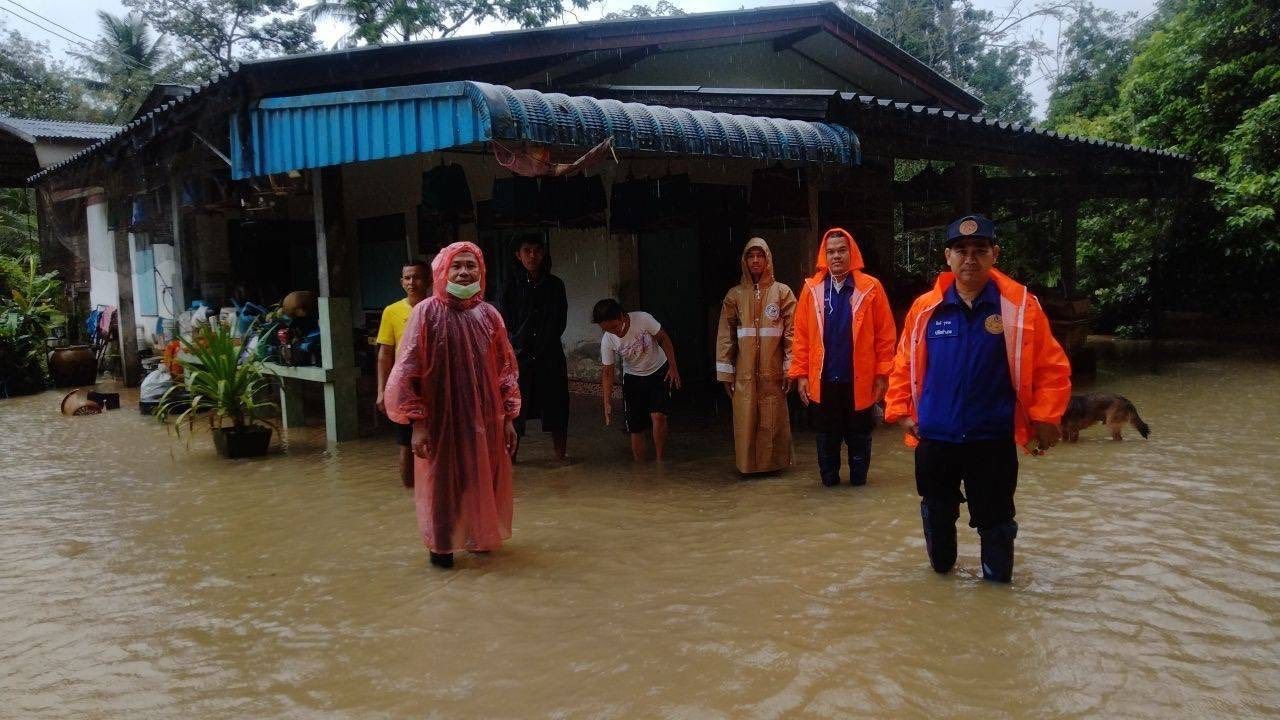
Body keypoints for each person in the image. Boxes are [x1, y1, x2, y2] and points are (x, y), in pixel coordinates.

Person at [884, 214, 1071, 583]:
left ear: (994, 254)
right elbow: (902, 363)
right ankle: (941, 583)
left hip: (992, 437)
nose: (970, 258)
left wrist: (1047, 418)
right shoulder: (925, 310)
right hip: (935, 437)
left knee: (997, 523)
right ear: (947, 257)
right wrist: (899, 410)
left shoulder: (1019, 308)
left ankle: (996, 595)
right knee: (937, 514)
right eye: (961, 250)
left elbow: (1051, 367)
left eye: (979, 250)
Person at [384, 242, 521, 569]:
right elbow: (407, 369)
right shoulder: (426, 312)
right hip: (441, 417)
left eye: (471, 265)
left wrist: (508, 417)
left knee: (481, 476)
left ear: (481, 271)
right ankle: (442, 549)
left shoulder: (489, 315)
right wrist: (417, 422)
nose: (464, 271)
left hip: (485, 417)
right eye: (457, 265)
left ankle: (479, 539)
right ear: (443, 270)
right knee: (442, 482)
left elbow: (505, 370)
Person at [788, 228, 897, 487]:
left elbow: (886, 335)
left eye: (841, 250)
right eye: (831, 252)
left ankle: (859, 485)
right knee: (826, 436)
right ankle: (830, 485)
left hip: (859, 379)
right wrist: (801, 375)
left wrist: (882, 374)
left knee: (860, 435)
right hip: (823, 380)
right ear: (824, 256)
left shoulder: (871, 288)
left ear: (852, 253)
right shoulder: (812, 290)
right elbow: (801, 337)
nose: (836, 256)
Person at [715, 238, 797, 474]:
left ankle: (774, 466)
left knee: (773, 418)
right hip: (744, 372)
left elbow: (794, 334)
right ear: (744, 261)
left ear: (768, 259)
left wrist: (790, 367)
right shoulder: (735, 296)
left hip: (773, 370)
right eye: (750, 256)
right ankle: (748, 467)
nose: (755, 260)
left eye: (760, 255)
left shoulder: (783, 293)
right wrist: (725, 373)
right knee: (746, 418)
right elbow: (725, 335)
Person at [499, 235, 570, 462]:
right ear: (518, 255)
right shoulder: (510, 287)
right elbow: (505, 322)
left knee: (557, 406)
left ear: (544, 254)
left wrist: (543, 344)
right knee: (515, 408)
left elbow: (560, 321)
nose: (532, 256)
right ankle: (512, 461)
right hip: (519, 357)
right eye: (527, 250)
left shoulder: (555, 285)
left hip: (550, 355)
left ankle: (560, 458)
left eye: (537, 251)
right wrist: (519, 346)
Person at [592, 298, 681, 462]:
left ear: (621, 315)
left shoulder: (643, 319)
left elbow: (663, 338)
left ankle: (660, 461)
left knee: (659, 416)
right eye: (607, 330)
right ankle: (640, 473)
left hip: (658, 371)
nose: (614, 332)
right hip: (633, 378)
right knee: (635, 426)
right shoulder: (608, 339)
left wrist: (673, 367)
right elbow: (607, 372)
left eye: (614, 327)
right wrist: (606, 402)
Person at [375, 260, 429, 487]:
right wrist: (381, 391)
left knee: (436, 441)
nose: (411, 282)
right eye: (407, 278)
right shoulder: (392, 311)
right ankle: (409, 491)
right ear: (401, 282)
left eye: (416, 277)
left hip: (432, 384)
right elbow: (385, 354)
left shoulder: (437, 307)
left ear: (428, 280)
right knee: (405, 444)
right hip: (404, 387)